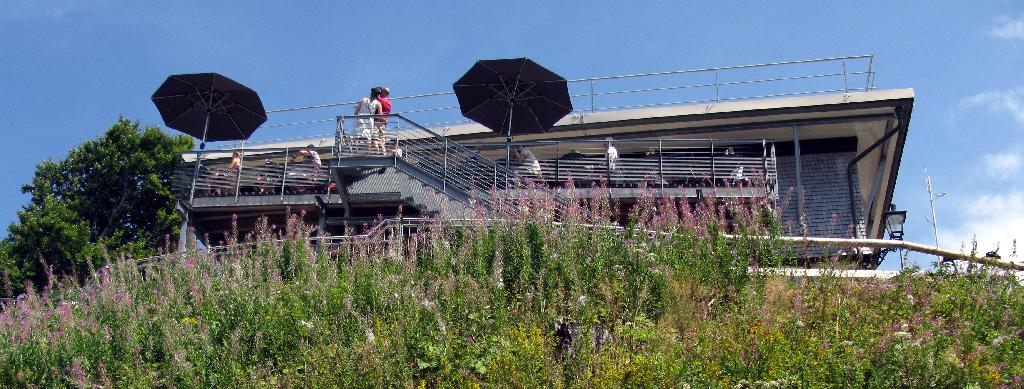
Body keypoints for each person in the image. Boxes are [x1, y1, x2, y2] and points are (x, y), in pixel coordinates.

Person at [354, 87, 383, 153]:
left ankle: (355, 152)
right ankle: (368, 152)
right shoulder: (378, 103)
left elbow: (356, 112)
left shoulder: (363, 99)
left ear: (371, 93)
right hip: (369, 120)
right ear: (377, 95)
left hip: (360, 119)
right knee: (367, 139)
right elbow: (380, 115)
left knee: (357, 137)